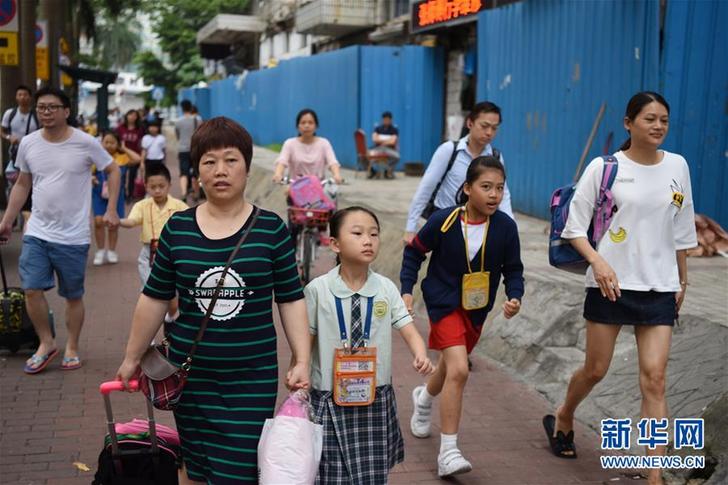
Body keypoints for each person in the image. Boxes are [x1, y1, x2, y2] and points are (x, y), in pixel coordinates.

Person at [115, 117, 311, 485]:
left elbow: (291, 298)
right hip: (190, 375)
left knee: (237, 471)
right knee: (197, 465)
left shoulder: (271, 230)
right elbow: (155, 297)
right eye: (209, 162)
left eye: (231, 160)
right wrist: (130, 357)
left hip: (251, 377)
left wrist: (302, 359)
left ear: (248, 167)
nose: (221, 170)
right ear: (197, 170)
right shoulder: (178, 228)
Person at [544, 92, 696, 485]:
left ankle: (653, 474)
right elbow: (573, 227)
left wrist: (683, 279)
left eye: (664, 119)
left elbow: (682, 229)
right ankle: (564, 413)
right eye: (649, 118)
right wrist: (598, 262)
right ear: (629, 123)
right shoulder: (605, 167)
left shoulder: (678, 166)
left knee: (654, 378)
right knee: (596, 370)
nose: (658, 125)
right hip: (610, 285)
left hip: (659, 288)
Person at [401, 155, 524, 478]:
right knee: (459, 369)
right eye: (486, 187)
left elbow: (514, 269)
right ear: (468, 188)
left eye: (499, 188)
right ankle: (448, 451)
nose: (494, 194)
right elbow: (414, 252)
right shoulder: (444, 221)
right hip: (443, 303)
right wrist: (406, 289)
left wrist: (515, 296)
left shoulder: (506, 228)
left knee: (449, 367)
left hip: (477, 308)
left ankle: (424, 397)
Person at [305, 206, 434, 483]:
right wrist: (299, 367)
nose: (368, 240)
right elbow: (308, 336)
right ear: (335, 244)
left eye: (374, 234)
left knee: (372, 474)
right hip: (329, 393)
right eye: (358, 233)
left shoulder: (386, 288)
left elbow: (406, 326)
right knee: (330, 473)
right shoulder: (318, 289)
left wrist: (420, 352)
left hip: (374, 394)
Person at [0, 86, 121, 374]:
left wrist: (112, 208)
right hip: (38, 230)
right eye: (42, 107)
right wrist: (6, 220)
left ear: (66, 111)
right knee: (31, 288)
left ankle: (73, 347)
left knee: (72, 295)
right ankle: (46, 342)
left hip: (73, 235)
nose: (46, 112)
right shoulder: (28, 143)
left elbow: (113, 169)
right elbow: (22, 183)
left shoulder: (85, 142)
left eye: (53, 107)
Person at [403, 101, 514, 245]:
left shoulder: (495, 157)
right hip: (445, 224)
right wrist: (410, 228)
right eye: (484, 126)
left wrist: (511, 229)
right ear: (470, 123)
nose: (489, 133)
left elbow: (503, 194)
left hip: (478, 226)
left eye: (494, 128)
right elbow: (426, 188)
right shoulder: (449, 151)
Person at [119, 163, 187, 323]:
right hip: (148, 253)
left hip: (173, 253)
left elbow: (192, 221)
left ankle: (172, 317)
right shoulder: (142, 205)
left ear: (169, 185)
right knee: (149, 292)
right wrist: (118, 221)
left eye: (161, 186)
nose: (157, 190)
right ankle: (148, 329)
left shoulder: (179, 206)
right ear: (146, 186)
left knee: (172, 291)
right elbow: (132, 221)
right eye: (152, 187)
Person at [92, 131, 140, 265]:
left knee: (113, 224)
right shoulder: (96, 157)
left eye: (112, 142)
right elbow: (86, 171)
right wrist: (92, 178)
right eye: (106, 142)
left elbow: (137, 159)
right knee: (98, 221)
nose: (108, 145)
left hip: (116, 195)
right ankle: (100, 251)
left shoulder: (122, 158)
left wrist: (123, 148)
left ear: (117, 144)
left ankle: (112, 251)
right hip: (98, 193)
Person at [271, 108, 343, 185]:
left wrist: (337, 175)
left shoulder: (324, 143)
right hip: (296, 188)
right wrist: (278, 174)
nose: (307, 126)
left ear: (316, 126)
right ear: (298, 126)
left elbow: (332, 162)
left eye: (310, 123)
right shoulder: (289, 144)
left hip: (318, 188)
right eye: (303, 123)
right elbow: (282, 161)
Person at [2, 85, 40, 228]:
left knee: (30, 185)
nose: (22, 97)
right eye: (20, 94)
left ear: (30, 97)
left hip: (33, 157)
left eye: (25, 94)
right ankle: (14, 217)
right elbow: (2, 130)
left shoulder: (36, 115)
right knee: (13, 185)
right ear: (16, 97)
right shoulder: (10, 114)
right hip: (14, 156)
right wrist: (8, 137)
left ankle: (27, 217)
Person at [175, 99, 202, 202]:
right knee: (196, 173)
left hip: (183, 149)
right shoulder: (197, 119)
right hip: (195, 149)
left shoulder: (178, 121)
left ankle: (183, 193)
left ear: (182, 108)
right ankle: (196, 193)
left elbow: (178, 136)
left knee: (183, 172)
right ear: (191, 107)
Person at [116, 109, 145, 202]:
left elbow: (142, 144)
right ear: (126, 116)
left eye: (134, 115)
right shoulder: (120, 128)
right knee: (122, 175)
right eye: (130, 115)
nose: (132, 117)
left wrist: (142, 160)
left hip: (134, 156)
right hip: (122, 156)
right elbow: (116, 140)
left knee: (132, 176)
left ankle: (131, 195)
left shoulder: (139, 129)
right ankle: (123, 194)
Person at [369, 111, 400, 179]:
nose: (386, 121)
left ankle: (387, 170)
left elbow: (393, 142)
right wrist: (388, 140)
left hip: (389, 149)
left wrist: (381, 140)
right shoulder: (378, 128)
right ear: (382, 120)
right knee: (365, 155)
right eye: (385, 119)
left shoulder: (394, 129)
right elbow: (374, 139)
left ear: (391, 120)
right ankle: (372, 172)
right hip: (378, 148)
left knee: (397, 157)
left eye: (388, 119)